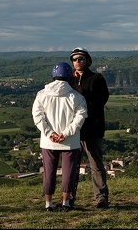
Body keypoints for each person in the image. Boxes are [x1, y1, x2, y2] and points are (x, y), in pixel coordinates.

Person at [32, 62, 87, 212]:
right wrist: (66, 133)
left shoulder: (42, 94)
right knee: (68, 173)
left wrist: (50, 133)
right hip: (70, 141)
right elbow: (80, 118)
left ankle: (48, 204)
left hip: (48, 142)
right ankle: (66, 203)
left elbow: (37, 117)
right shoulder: (77, 96)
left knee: (48, 173)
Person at [69, 47, 110, 209]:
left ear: (87, 61)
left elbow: (101, 101)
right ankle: (69, 198)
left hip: (93, 128)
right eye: (74, 59)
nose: (77, 61)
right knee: (72, 166)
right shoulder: (67, 80)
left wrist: (83, 94)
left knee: (96, 166)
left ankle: (101, 198)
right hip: (73, 130)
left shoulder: (97, 78)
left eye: (81, 58)